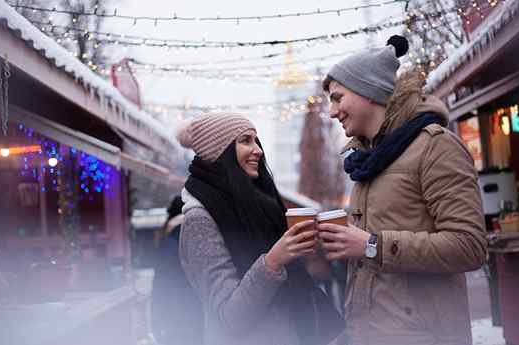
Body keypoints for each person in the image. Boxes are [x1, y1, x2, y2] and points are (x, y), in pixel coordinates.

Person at [318, 35, 488, 345]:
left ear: (368, 92)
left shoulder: (435, 147)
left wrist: (372, 245)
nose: (331, 111)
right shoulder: (367, 162)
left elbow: (470, 246)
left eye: (337, 98)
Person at [176, 114, 341, 345]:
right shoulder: (199, 220)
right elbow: (229, 317)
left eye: (256, 141)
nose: (258, 150)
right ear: (218, 151)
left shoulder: (257, 206)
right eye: (245, 140)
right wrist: (273, 261)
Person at [151, 196, 203, 345]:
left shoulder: (169, 240)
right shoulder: (199, 233)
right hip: (196, 315)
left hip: (174, 317)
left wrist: (156, 322)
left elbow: (160, 285)